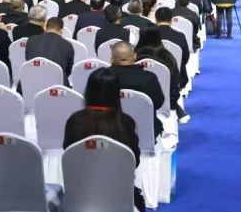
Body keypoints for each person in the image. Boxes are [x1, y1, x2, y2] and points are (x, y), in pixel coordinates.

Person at [63, 68, 144, 212]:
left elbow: (68, 153)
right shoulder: (125, 122)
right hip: (120, 197)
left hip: (80, 198)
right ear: (116, 94)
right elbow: (134, 161)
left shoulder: (74, 121)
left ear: (88, 91)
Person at [110, 42, 164, 137]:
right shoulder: (149, 78)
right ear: (135, 56)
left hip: (111, 131)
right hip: (146, 131)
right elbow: (158, 103)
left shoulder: (100, 78)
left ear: (111, 59)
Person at [135, 28, 187, 123]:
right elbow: (177, 84)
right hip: (167, 105)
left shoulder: (133, 58)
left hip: (137, 106)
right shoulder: (169, 58)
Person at [25, 17, 76, 83]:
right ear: (61, 30)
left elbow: (28, 60)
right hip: (57, 83)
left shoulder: (31, 41)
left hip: (31, 82)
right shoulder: (67, 45)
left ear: (45, 28)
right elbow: (68, 71)